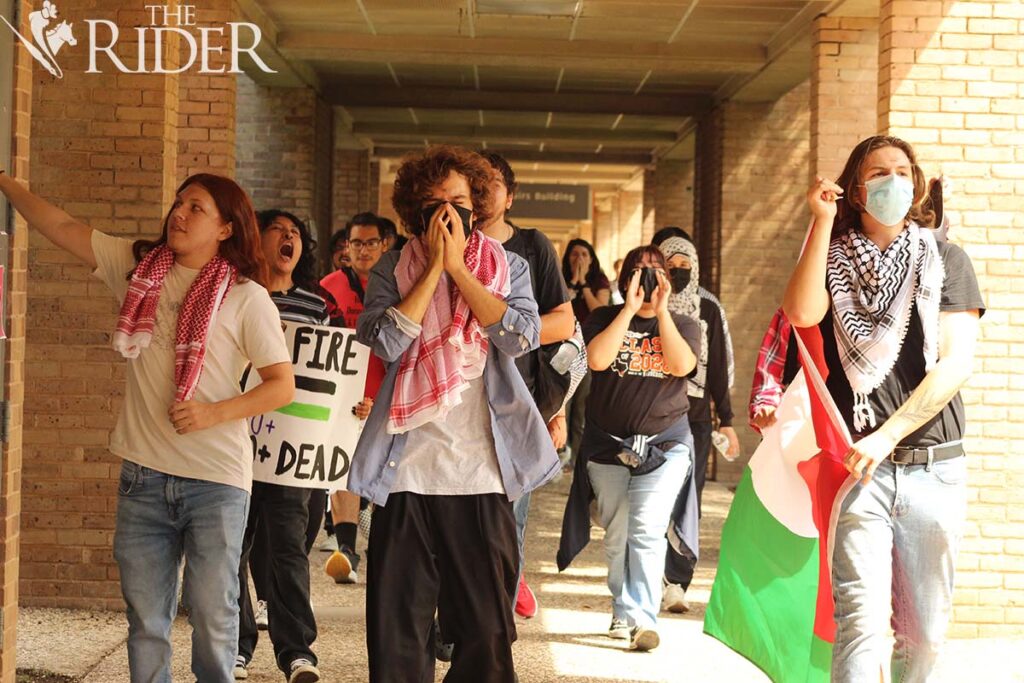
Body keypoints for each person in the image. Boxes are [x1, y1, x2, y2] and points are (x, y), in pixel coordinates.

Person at [0, 170, 294, 682]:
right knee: (147, 620)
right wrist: (4, 179)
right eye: (178, 204)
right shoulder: (140, 271)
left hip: (216, 481)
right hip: (143, 478)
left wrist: (213, 412)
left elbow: (281, 386)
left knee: (212, 614)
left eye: (196, 208)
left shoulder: (247, 297)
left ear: (226, 228)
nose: (178, 214)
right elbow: (62, 225)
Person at [348, 145, 558, 682]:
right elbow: (386, 340)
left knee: (486, 636)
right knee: (398, 636)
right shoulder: (395, 266)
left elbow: (520, 336)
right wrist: (431, 271)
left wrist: (460, 269)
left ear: (479, 207)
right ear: (416, 208)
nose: (447, 213)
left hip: (483, 476)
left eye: (459, 202)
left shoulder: (507, 265)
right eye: (435, 202)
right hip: (406, 476)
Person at [781, 135, 983, 682]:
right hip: (859, 473)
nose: (892, 181)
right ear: (856, 187)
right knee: (860, 622)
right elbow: (801, 315)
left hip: (933, 469)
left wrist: (887, 434)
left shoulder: (945, 259)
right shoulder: (832, 256)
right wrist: (821, 223)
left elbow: (955, 364)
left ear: (914, 183)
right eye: (878, 173)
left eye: (901, 171)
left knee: (922, 637)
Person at [559, 245, 700, 652]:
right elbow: (598, 361)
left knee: (646, 527)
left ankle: (640, 618)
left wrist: (661, 312)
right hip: (607, 445)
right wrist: (627, 310)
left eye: (657, 271)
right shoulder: (603, 318)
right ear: (625, 280)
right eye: (640, 271)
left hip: (666, 444)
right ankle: (622, 610)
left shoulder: (684, 323)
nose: (650, 277)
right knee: (617, 531)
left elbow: (681, 367)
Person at [478, 151, 575, 621]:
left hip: (517, 404)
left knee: (506, 524)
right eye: (471, 180)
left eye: (491, 181)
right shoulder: (442, 243)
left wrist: (498, 325)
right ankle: (455, 619)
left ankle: (493, 628)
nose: (481, 189)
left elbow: (563, 323)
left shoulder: (532, 247)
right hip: (455, 400)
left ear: (509, 195)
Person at [235, 210, 326, 682]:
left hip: (291, 454)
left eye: (296, 234)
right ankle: (237, 643)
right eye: (279, 230)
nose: (290, 238)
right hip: (235, 447)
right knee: (231, 549)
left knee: (288, 550)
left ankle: (297, 652)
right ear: (258, 239)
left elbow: (330, 375)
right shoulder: (235, 297)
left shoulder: (317, 305)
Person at [652, 229, 739, 613]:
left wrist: (728, 419)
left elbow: (718, 366)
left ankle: (677, 582)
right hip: (651, 413)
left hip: (696, 418)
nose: (680, 272)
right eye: (671, 265)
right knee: (651, 497)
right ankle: (648, 574)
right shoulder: (647, 304)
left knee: (689, 498)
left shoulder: (709, 308)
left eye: (686, 265)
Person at [318, 211, 390, 585]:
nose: (361, 250)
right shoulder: (329, 286)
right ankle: (346, 551)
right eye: (355, 243)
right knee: (341, 471)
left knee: (382, 477)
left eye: (370, 242)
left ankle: (384, 553)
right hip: (343, 399)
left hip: (387, 398)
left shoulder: (398, 286)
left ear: (385, 245)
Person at [560, 238, 610, 466]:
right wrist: (572, 283)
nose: (578, 259)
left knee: (581, 407)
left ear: (591, 259)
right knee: (560, 404)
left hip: (588, 350)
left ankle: (577, 458)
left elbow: (599, 311)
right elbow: (555, 307)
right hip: (562, 349)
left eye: (583, 255)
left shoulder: (599, 281)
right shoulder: (559, 279)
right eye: (574, 254)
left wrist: (584, 285)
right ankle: (559, 454)